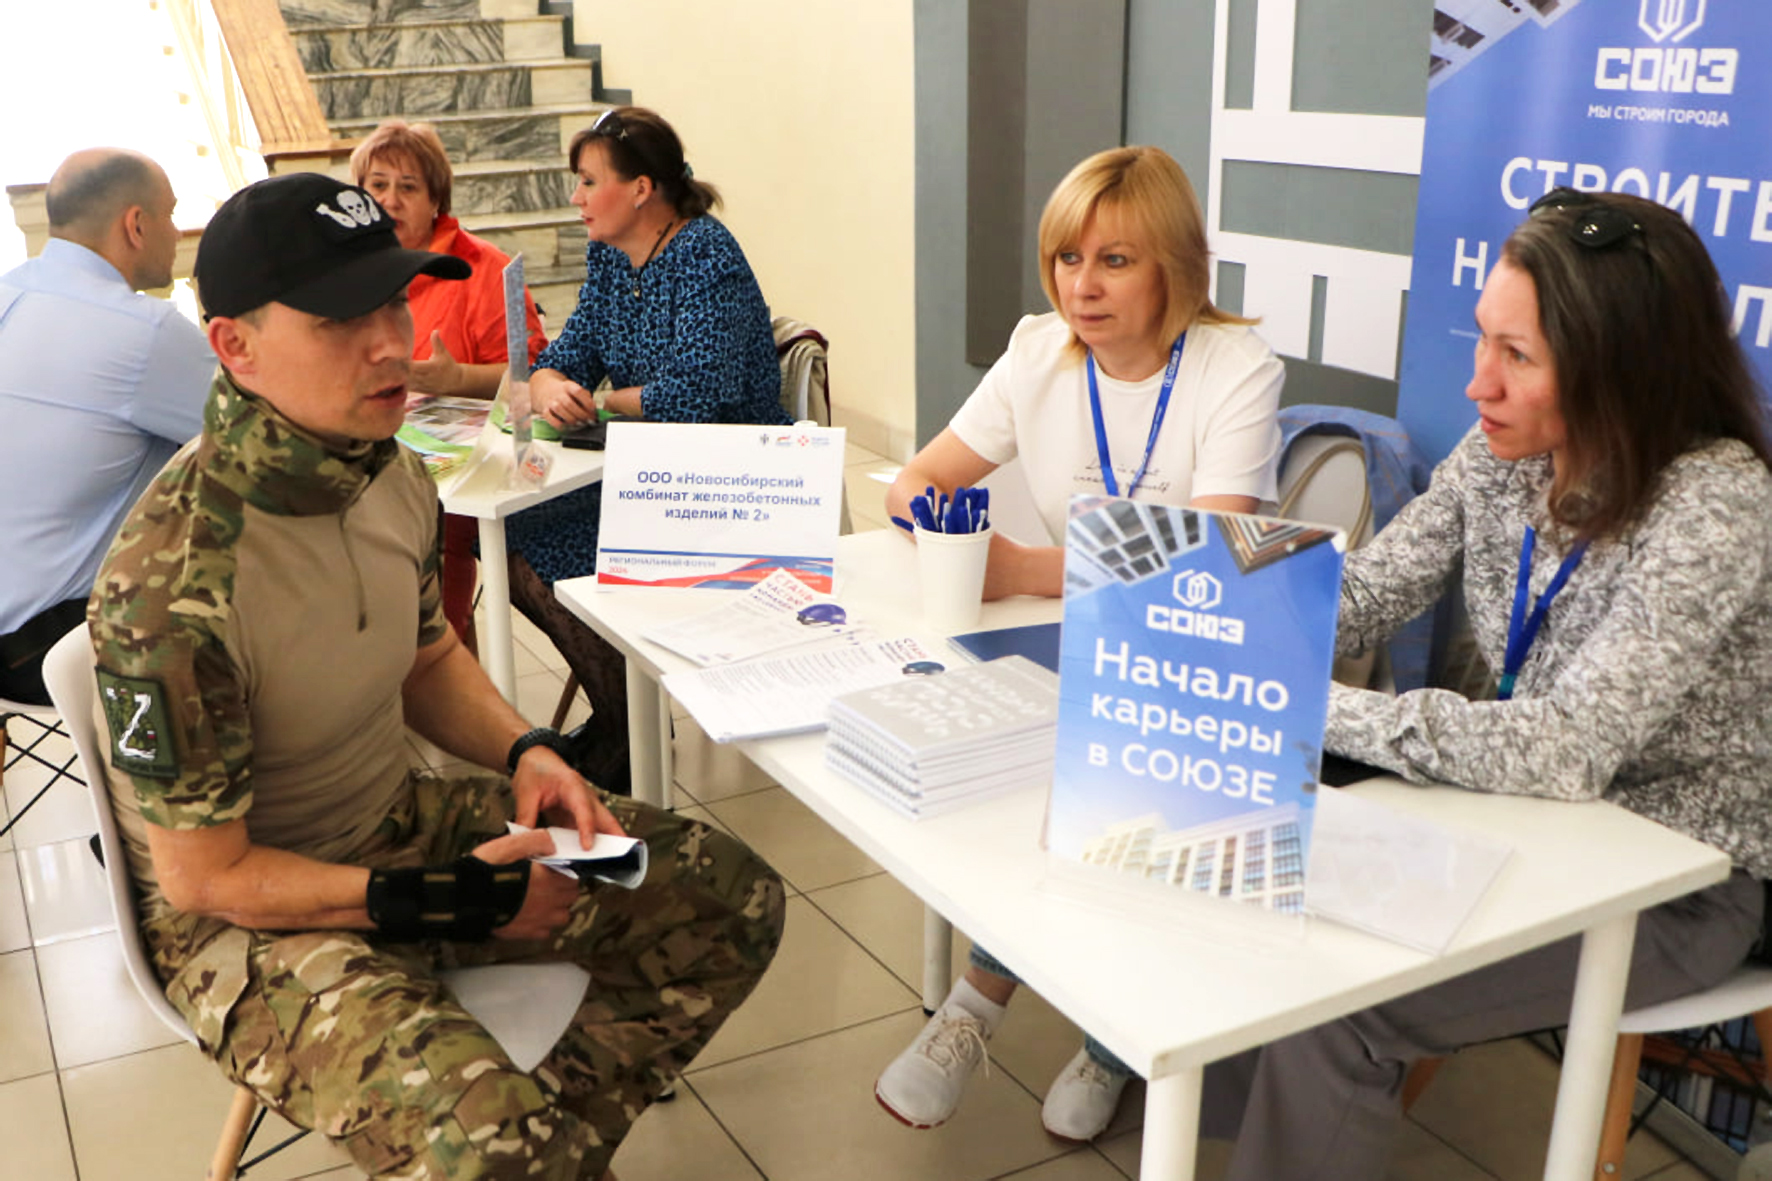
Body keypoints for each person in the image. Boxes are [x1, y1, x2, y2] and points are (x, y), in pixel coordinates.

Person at [87, 172, 785, 1181]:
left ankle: (560, 1147)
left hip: (401, 827)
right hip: (248, 926)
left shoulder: (392, 470)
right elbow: (206, 877)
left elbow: (425, 657)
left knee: (732, 899)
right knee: (491, 1135)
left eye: (391, 298)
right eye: (339, 316)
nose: (390, 342)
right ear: (233, 344)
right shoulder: (175, 581)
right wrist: (460, 903)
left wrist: (528, 747)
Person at [1198, 189, 1772, 1179]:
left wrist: (1305, 703)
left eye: (1516, 356)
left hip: (1678, 872)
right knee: (1254, 893)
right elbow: (1373, 587)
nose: (1475, 385)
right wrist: (1209, 617)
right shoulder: (1503, 452)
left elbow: (1567, 743)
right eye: (1480, 343)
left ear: (1618, 365)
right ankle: (1238, 1135)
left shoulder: (1715, 498)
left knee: (1343, 1004)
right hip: (1519, 814)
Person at [875, 145, 1285, 1140]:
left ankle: (1072, 1024)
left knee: (1090, 765)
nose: (1079, 286)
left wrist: (1018, 570)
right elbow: (911, 483)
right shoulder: (1037, 352)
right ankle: (987, 1008)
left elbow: (1209, 558)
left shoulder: (1236, 367)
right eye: (1064, 257)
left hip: (1200, 651)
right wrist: (962, 537)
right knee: (984, 761)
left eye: (1113, 261)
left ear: (1174, 268)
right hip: (1072, 632)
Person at [505, 105, 788, 794]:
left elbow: (695, 396)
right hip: (656, 467)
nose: (574, 197)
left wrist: (596, 402)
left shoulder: (706, 256)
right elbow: (569, 352)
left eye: (587, 181)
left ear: (640, 189)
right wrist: (546, 384)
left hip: (729, 480)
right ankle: (622, 714)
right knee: (515, 533)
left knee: (541, 537)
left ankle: (628, 727)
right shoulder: (611, 258)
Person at [0, 147, 212, 704]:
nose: (177, 231)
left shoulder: (9, 292)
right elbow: (269, 434)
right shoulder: (143, 332)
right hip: (48, 647)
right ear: (136, 226)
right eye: (170, 214)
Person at [350, 119, 550, 646]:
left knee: (423, 554)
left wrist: (456, 378)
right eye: (377, 185)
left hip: (456, 478)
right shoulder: (344, 271)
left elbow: (532, 380)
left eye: (408, 187)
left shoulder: (484, 270)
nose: (390, 199)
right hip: (363, 461)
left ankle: (442, 670)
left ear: (436, 199)